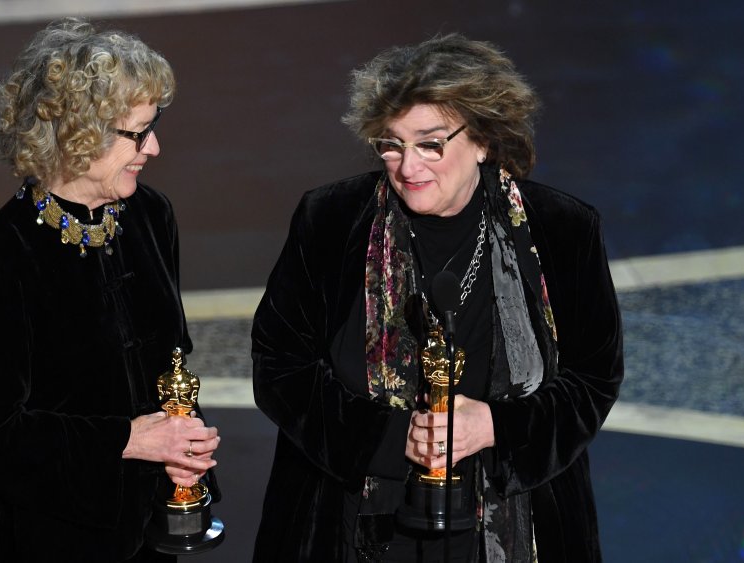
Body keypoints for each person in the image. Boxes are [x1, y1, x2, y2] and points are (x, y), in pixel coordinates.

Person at [252, 33, 623, 562]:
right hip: (351, 521)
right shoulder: (330, 220)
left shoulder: (563, 230)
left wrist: (494, 426)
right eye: (391, 144)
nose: (408, 168)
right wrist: (391, 438)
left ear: (483, 140)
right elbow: (279, 367)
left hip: (512, 521)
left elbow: (594, 378)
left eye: (430, 143)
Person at [0, 18, 220, 563]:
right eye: (138, 132)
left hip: (148, 527)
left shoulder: (150, 214)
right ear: (79, 133)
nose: (155, 147)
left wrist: (179, 440)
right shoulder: (11, 249)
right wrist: (127, 440)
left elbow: (172, 361)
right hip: (49, 539)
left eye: (154, 125)